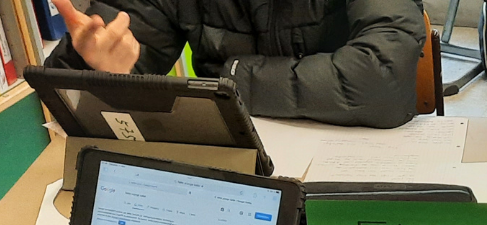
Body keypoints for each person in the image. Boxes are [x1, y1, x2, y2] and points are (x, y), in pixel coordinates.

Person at [44, 0, 425, 128]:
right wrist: (97, 69)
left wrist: (232, 79)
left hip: (353, 161)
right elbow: (70, 96)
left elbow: (381, 78)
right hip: (236, 167)